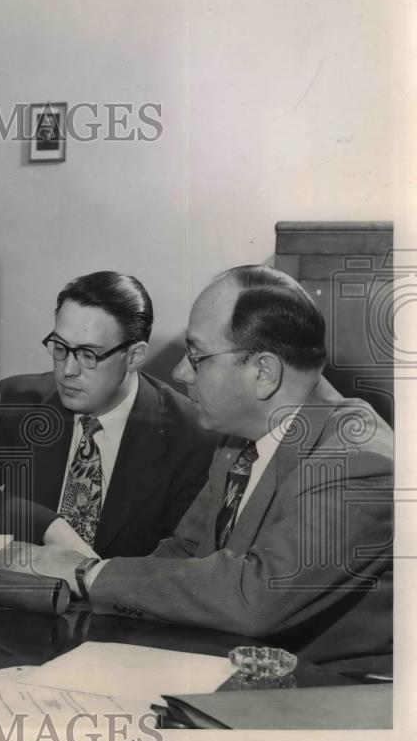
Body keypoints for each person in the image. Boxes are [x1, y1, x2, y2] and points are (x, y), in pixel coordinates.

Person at [32, 265, 393, 669]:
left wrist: (89, 575)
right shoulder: (237, 441)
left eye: (197, 357)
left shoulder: (359, 461)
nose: (180, 372)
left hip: (330, 696)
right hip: (232, 669)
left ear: (264, 373)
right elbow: (185, 551)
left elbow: (256, 598)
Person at [0, 271, 216, 557]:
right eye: (60, 347)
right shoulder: (20, 401)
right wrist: (48, 525)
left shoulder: (192, 434)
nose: (67, 370)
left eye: (89, 355)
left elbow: (184, 561)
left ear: (134, 356)